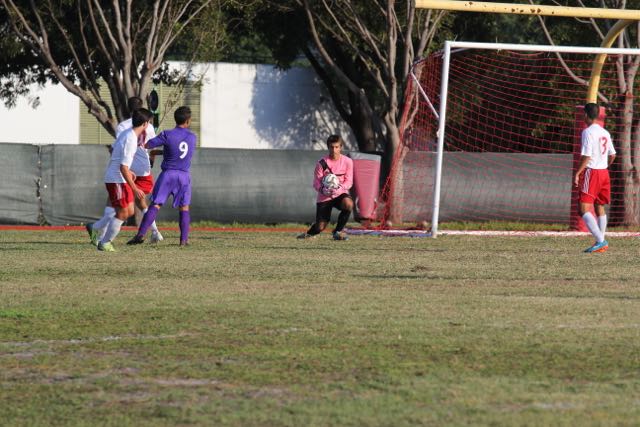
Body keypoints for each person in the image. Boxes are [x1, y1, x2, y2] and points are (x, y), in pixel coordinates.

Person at [86, 97, 163, 245]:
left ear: (128, 109)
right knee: (129, 207)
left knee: (123, 207)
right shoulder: (139, 133)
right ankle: (103, 240)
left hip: (127, 172)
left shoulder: (124, 128)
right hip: (129, 172)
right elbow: (150, 148)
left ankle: (99, 233)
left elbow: (117, 149)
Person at [127, 106, 196, 246]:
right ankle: (183, 240)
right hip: (183, 176)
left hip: (168, 175)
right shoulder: (192, 137)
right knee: (184, 207)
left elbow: (148, 144)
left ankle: (140, 235)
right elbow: (179, 152)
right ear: (188, 121)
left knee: (156, 205)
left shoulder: (167, 134)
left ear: (175, 119)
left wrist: (156, 147)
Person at [96, 108, 154, 251]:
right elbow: (123, 167)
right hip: (117, 179)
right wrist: (135, 188)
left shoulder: (126, 133)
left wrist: (131, 174)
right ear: (145, 124)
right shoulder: (131, 139)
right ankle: (104, 242)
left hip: (119, 178)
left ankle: (97, 231)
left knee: (128, 212)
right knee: (124, 212)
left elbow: (117, 156)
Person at [574, 102, 616, 253]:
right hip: (604, 172)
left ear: (585, 115)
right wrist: (604, 165)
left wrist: (578, 173)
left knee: (583, 209)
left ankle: (600, 241)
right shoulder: (605, 132)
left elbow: (586, 156)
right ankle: (600, 242)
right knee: (600, 207)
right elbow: (613, 155)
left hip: (592, 172)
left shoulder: (587, 132)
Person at [298, 134, 354, 241]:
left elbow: (349, 181)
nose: (334, 150)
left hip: (339, 194)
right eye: (332, 147)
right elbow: (316, 182)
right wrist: (322, 189)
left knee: (349, 204)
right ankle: (308, 234)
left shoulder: (348, 161)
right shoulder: (322, 163)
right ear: (328, 147)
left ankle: (337, 232)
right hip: (325, 196)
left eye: (336, 147)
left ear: (340, 147)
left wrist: (340, 188)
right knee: (320, 227)